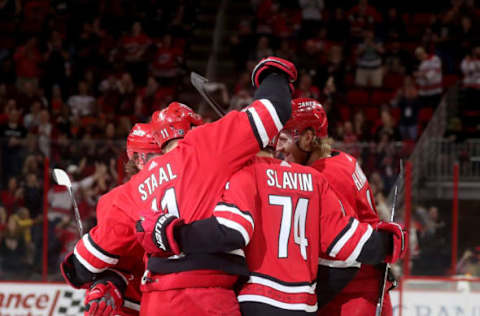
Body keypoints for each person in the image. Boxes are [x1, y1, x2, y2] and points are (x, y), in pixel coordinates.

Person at [63, 56, 298, 316]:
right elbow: (275, 109)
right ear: (195, 129)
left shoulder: (131, 190)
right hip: (210, 297)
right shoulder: (205, 146)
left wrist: (94, 277)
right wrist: (273, 73)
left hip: (156, 302)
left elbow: (84, 264)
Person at [138, 151, 407, 315]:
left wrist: (172, 233)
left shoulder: (245, 174)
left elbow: (230, 231)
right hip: (302, 306)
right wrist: (391, 240)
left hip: (255, 302)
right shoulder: (314, 179)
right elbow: (350, 246)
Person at [275, 98, 396, 316]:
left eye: (283, 139)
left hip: (353, 294)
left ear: (308, 138)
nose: (278, 147)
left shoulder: (324, 176)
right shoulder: (340, 159)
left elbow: (341, 252)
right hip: (359, 287)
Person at [61, 122, 163, 315]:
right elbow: (120, 263)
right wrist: (106, 283)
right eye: (160, 154)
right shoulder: (118, 199)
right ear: (139, 159)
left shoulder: (119, 198)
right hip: (146, 302)